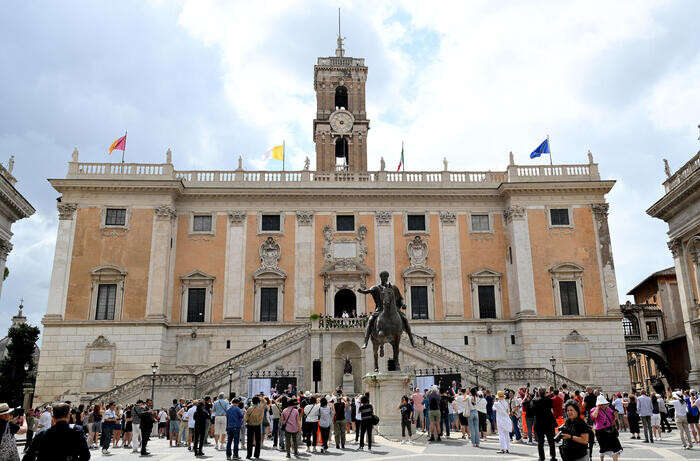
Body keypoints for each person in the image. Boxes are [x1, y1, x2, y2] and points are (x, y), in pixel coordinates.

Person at [591, 395, 622, 461]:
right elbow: (594, 416)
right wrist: (597, 408)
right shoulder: (594, 409)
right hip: (601, 432)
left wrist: (616, 416)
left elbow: (613, 418)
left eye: (604, 404)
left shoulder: (608, 409)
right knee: (603, 449)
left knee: (616, 448)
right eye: (601, 404)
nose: (604, 405)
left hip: (610, 430)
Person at [532, 388, 557, 461]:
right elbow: (551, 409)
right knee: (551, 441)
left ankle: (541, 457)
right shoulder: (549, 400)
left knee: (540, 442)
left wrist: (535, 396)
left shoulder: (535, 400)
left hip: (539, 423)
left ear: (539, 393)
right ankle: (553, 457)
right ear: (545, 393)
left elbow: (532, 411)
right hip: (548, 423)